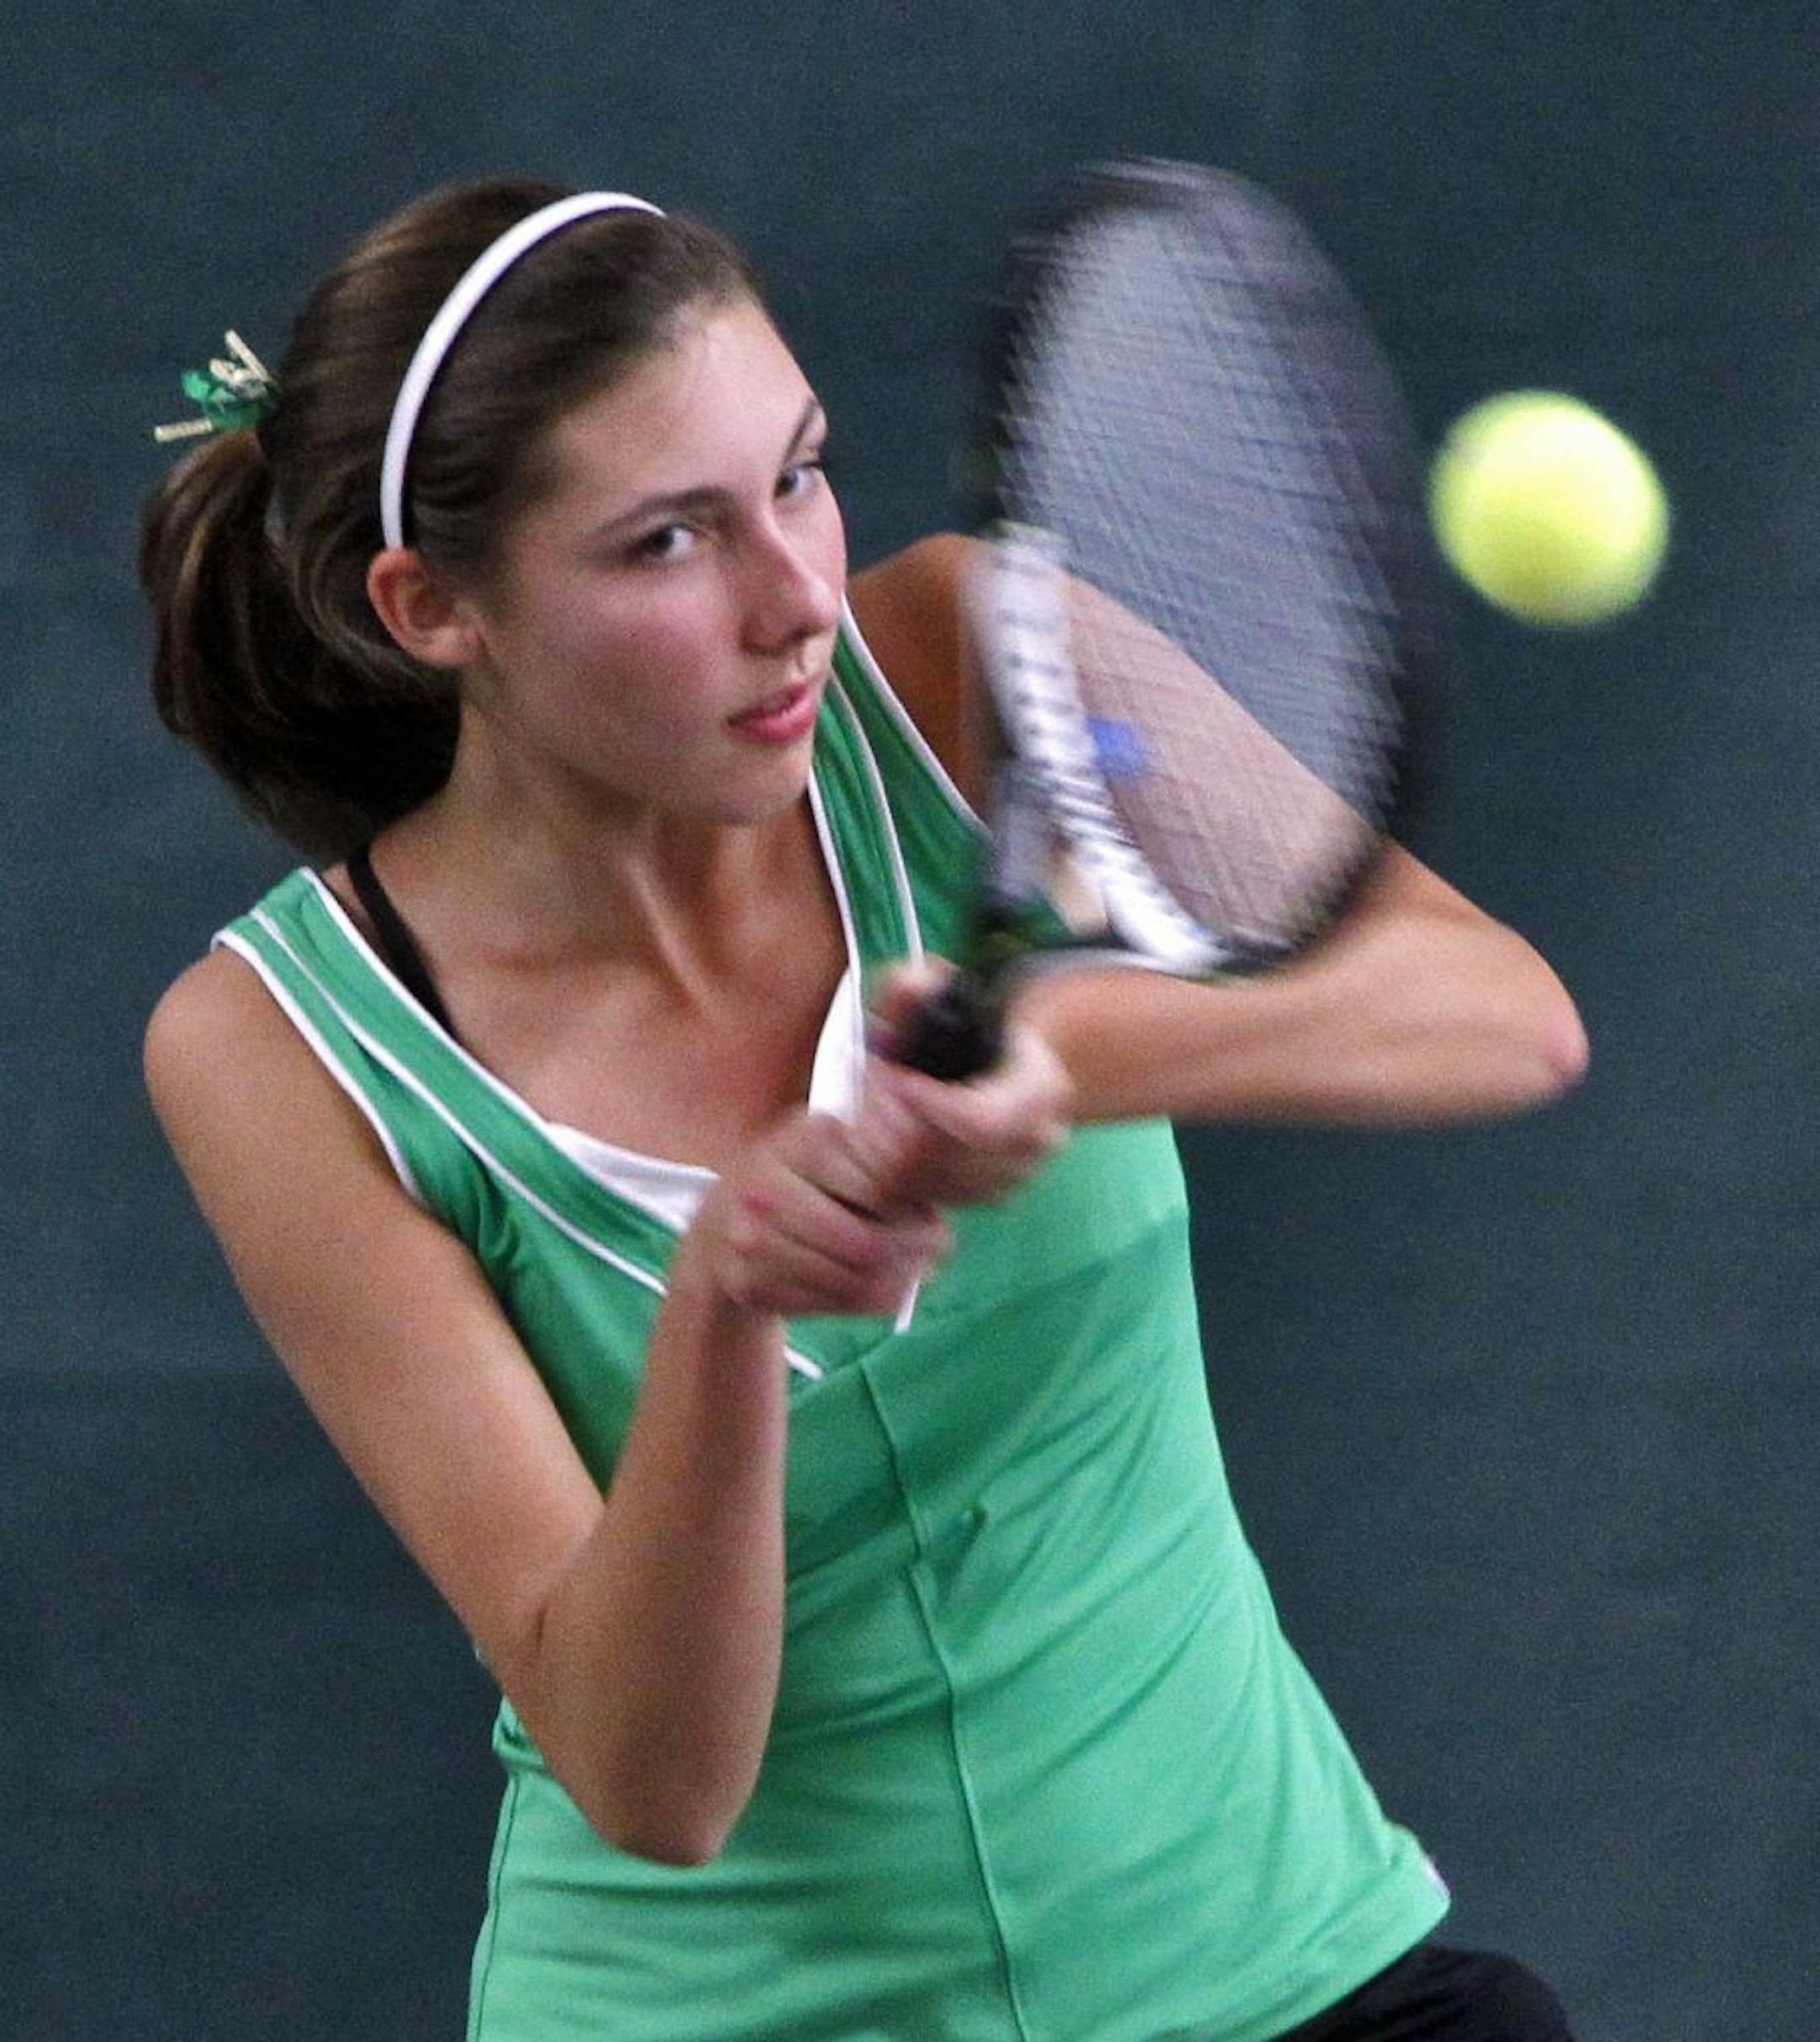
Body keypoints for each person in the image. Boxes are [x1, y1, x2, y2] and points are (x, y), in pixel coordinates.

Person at [138, 177, 1590, 2042]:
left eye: (802, 477)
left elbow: (1499, 1014)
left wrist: (1081, 1046)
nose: (797, 595)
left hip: (1294, 1973)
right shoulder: (276, 1051)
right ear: (433, 608)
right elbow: (655, 1784)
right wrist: (728, 1307)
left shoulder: (967, 659)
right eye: (669, 543)